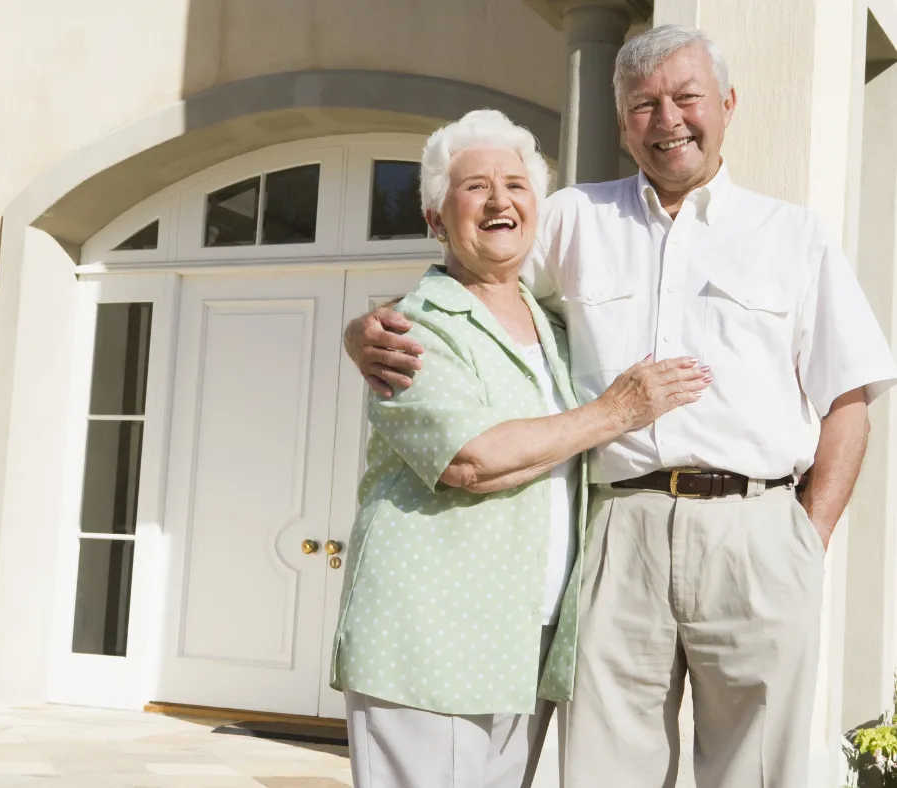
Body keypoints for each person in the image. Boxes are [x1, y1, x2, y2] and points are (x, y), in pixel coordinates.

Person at [342, 25, 897, 788]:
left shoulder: (792, 236)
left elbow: (850, 398)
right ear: (623, 120)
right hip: (618, 527)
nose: (667, 119)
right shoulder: (572, 218)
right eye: (644, 104)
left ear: (727, 104)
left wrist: (808, 537)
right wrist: (364, 326)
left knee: (758, 770)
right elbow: (473, 269)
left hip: (757, 531)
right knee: (607, 769)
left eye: (686, 97)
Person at [329, 109, 711, 788]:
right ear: (435, 218)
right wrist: (617, 411)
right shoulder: (414, 326)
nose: (500, 199)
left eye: (516, 184)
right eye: (475, 187)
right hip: (430, 637)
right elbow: (471, 460)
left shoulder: (553, 324)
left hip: (521, 641)